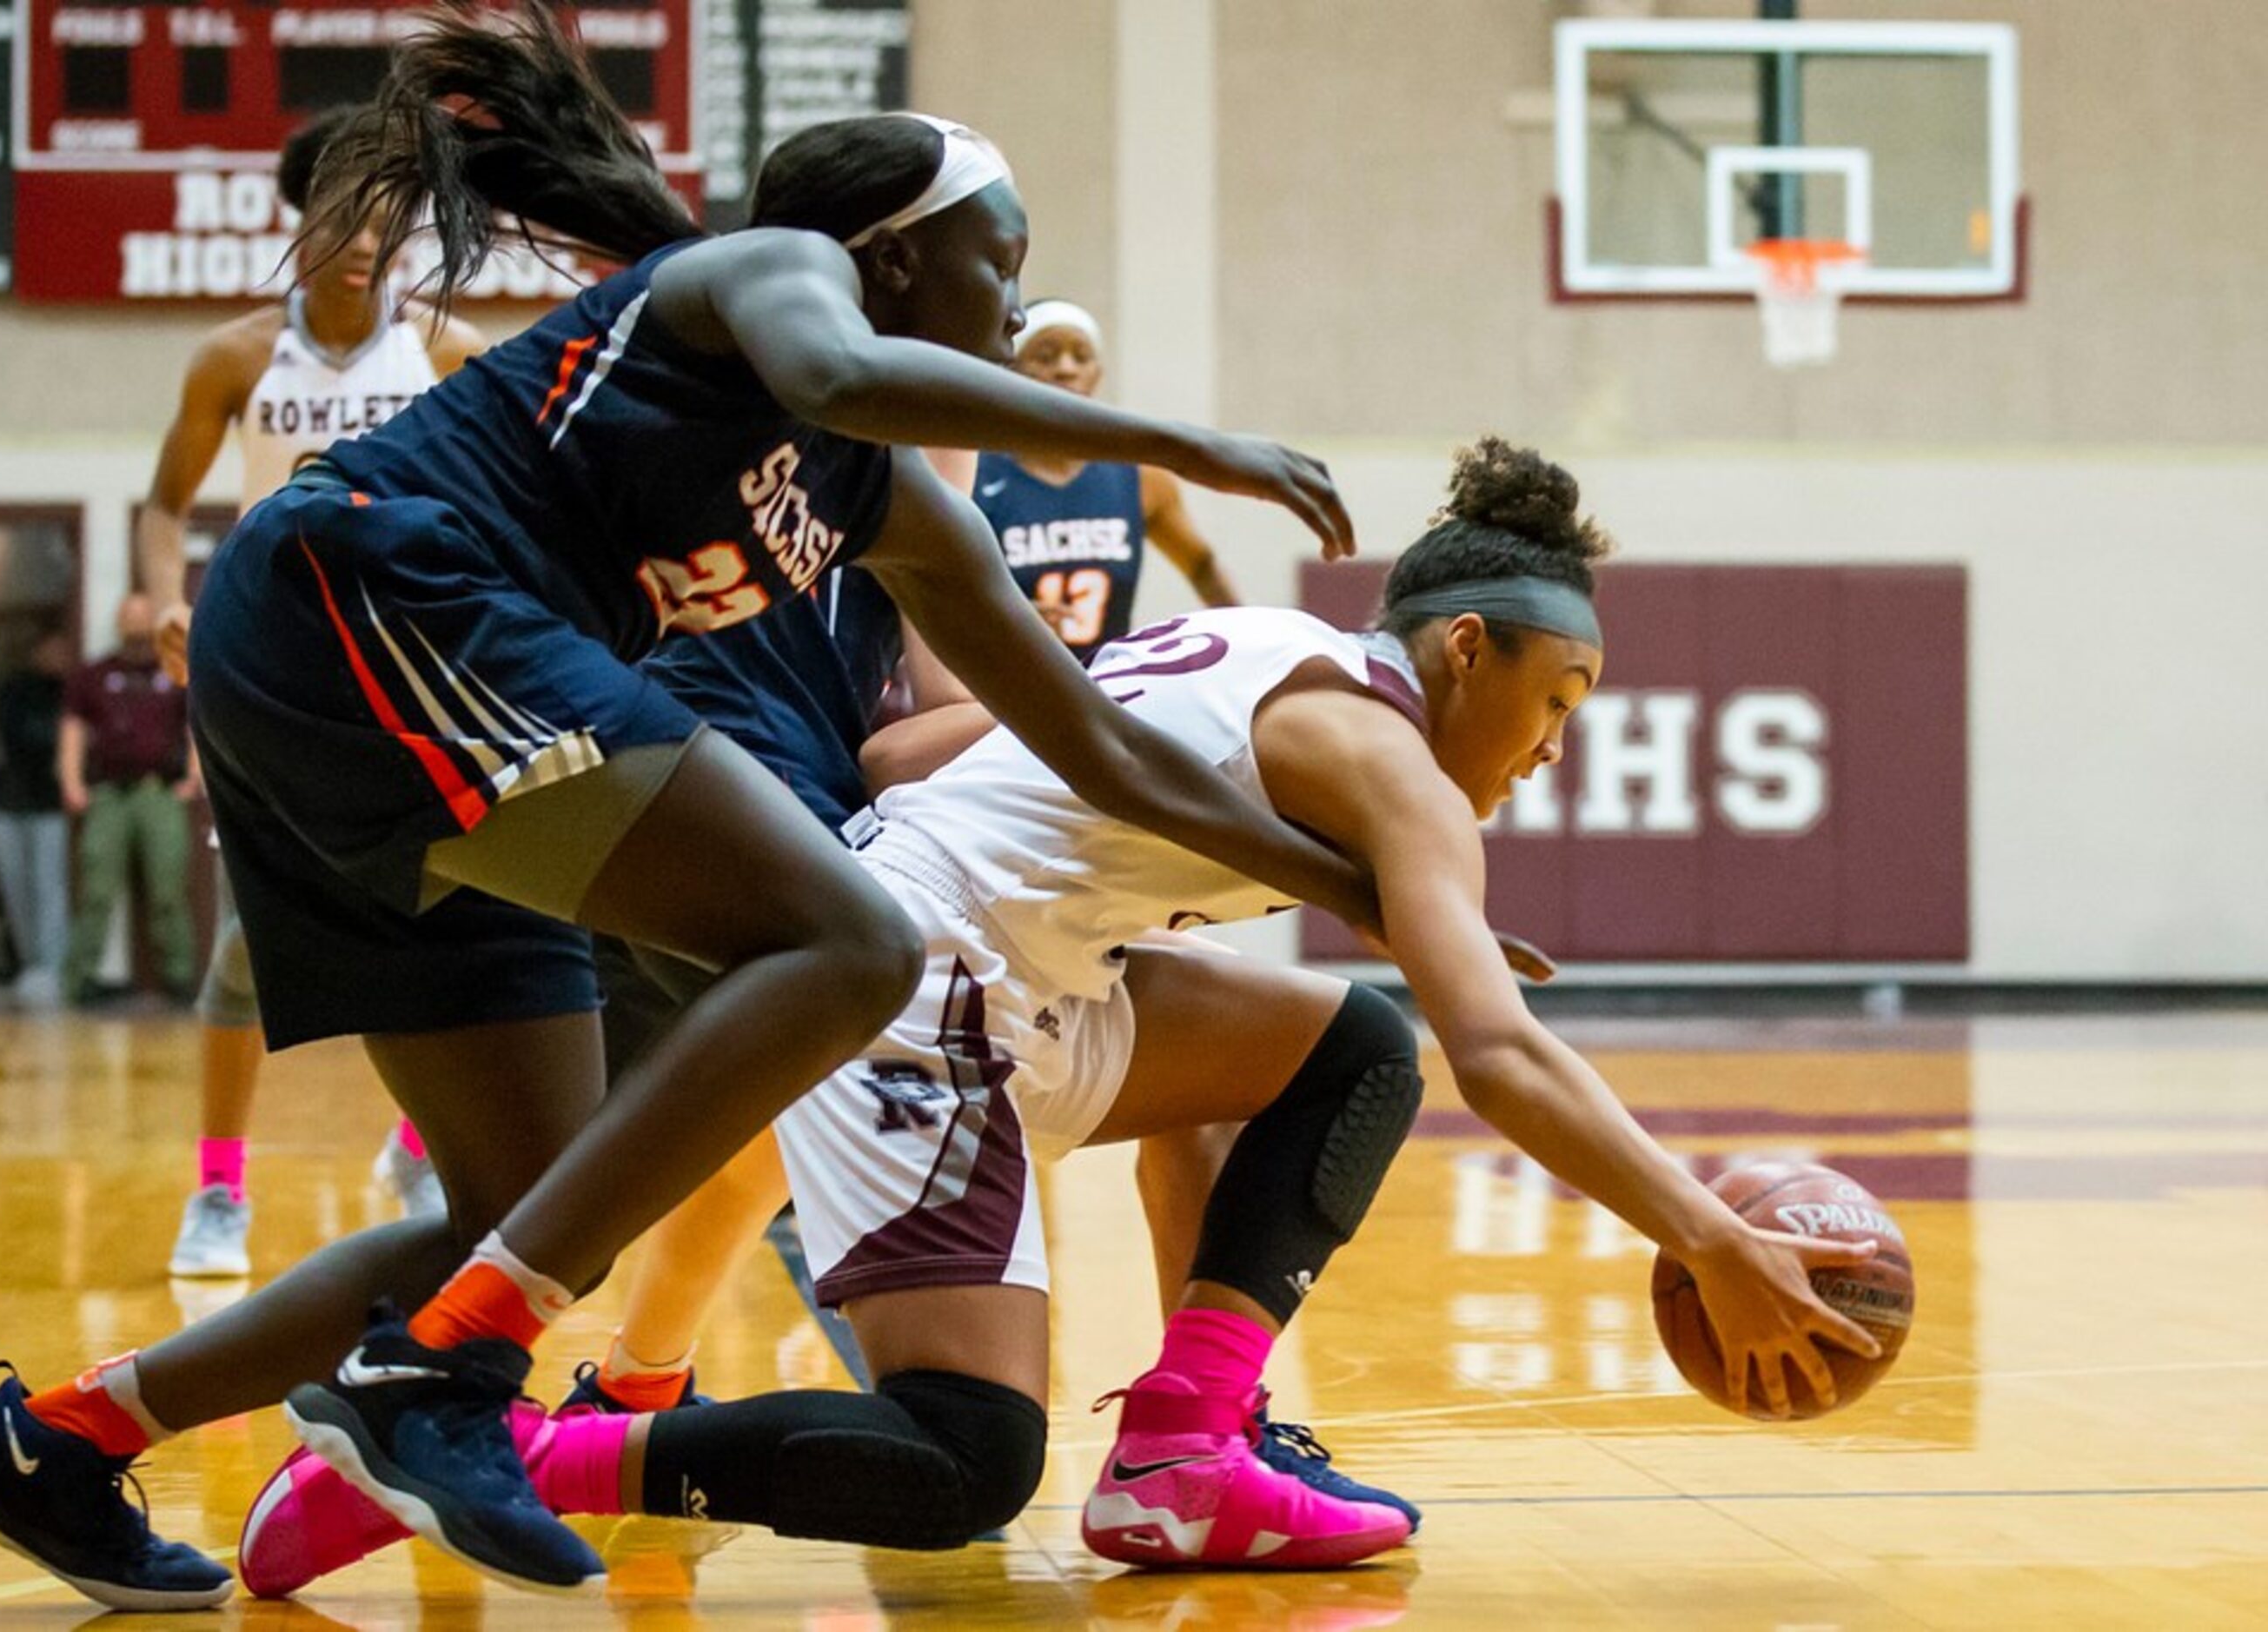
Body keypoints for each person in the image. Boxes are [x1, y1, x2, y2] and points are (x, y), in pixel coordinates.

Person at [0, 0, 1373, 1608]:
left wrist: (1352, 886)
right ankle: (440, 1380)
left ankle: (58, 1436)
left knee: (514, 1211)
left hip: (401, 681)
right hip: (371, 593)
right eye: (996, 261)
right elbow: (835, 369)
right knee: (848, 937)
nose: (1016, 307)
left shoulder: (877, 492)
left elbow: (1102, 745)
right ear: (889, 259)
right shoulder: (764, 277)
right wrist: (1180, 442)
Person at [232, 438, 1886, 1586]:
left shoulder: (1241, 640)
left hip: (995, 968)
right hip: (918, 991)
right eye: (1559, 701)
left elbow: (896, 759)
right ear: (1464, 650)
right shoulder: (1391, 761)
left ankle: (1183, 1450)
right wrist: (1704, 1231)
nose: (1555, 745)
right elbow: (1504, 1054)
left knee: (1341, 1046)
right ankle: (486, 1445)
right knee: (960, 1460)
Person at [141, 108, 484, 1278]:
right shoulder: (236, 356)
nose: (369, 235)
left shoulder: (448, 351)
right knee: (249, 943)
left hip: (413, 677)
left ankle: (420, 1144)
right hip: (275, 674)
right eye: (347, 209)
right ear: (301, 218)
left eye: (392, 214)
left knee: (454, 917)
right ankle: (219, 1191)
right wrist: (158, 599)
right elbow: (161, 503)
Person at [975, 299, 1241, 664]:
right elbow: (936, 592)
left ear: (1097, 374)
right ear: (1013, 371)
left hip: (1107, 686)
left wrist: (1243, 646)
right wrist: (1002, 621)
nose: (1065, 369)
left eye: (1080, 357)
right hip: (1001, 684)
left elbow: (1202, 566)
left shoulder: (1141, 476)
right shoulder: (976, 473)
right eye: (1046, 356)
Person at [56, 594, 199, 1003]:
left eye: (143, 622)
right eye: (129, 621)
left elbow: (196, 725)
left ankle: (179, 978)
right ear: (119, 625)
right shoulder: (94, 674)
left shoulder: (174, 673)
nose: (136, 630)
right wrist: (71, 781)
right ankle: (80, 979)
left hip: (159, 794)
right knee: (97, 891)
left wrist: (194, 775)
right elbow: (73, 731)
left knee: (168, 889)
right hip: (108, 796)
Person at [0, 626, 74, 1006]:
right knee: (15, 889)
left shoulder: (69, 694)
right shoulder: (14, 689)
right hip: (9, 803)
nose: (58, 656)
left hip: (50, 806)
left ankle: (51, 968)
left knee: (49, 888)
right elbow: (18, 737)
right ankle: (29, 965)